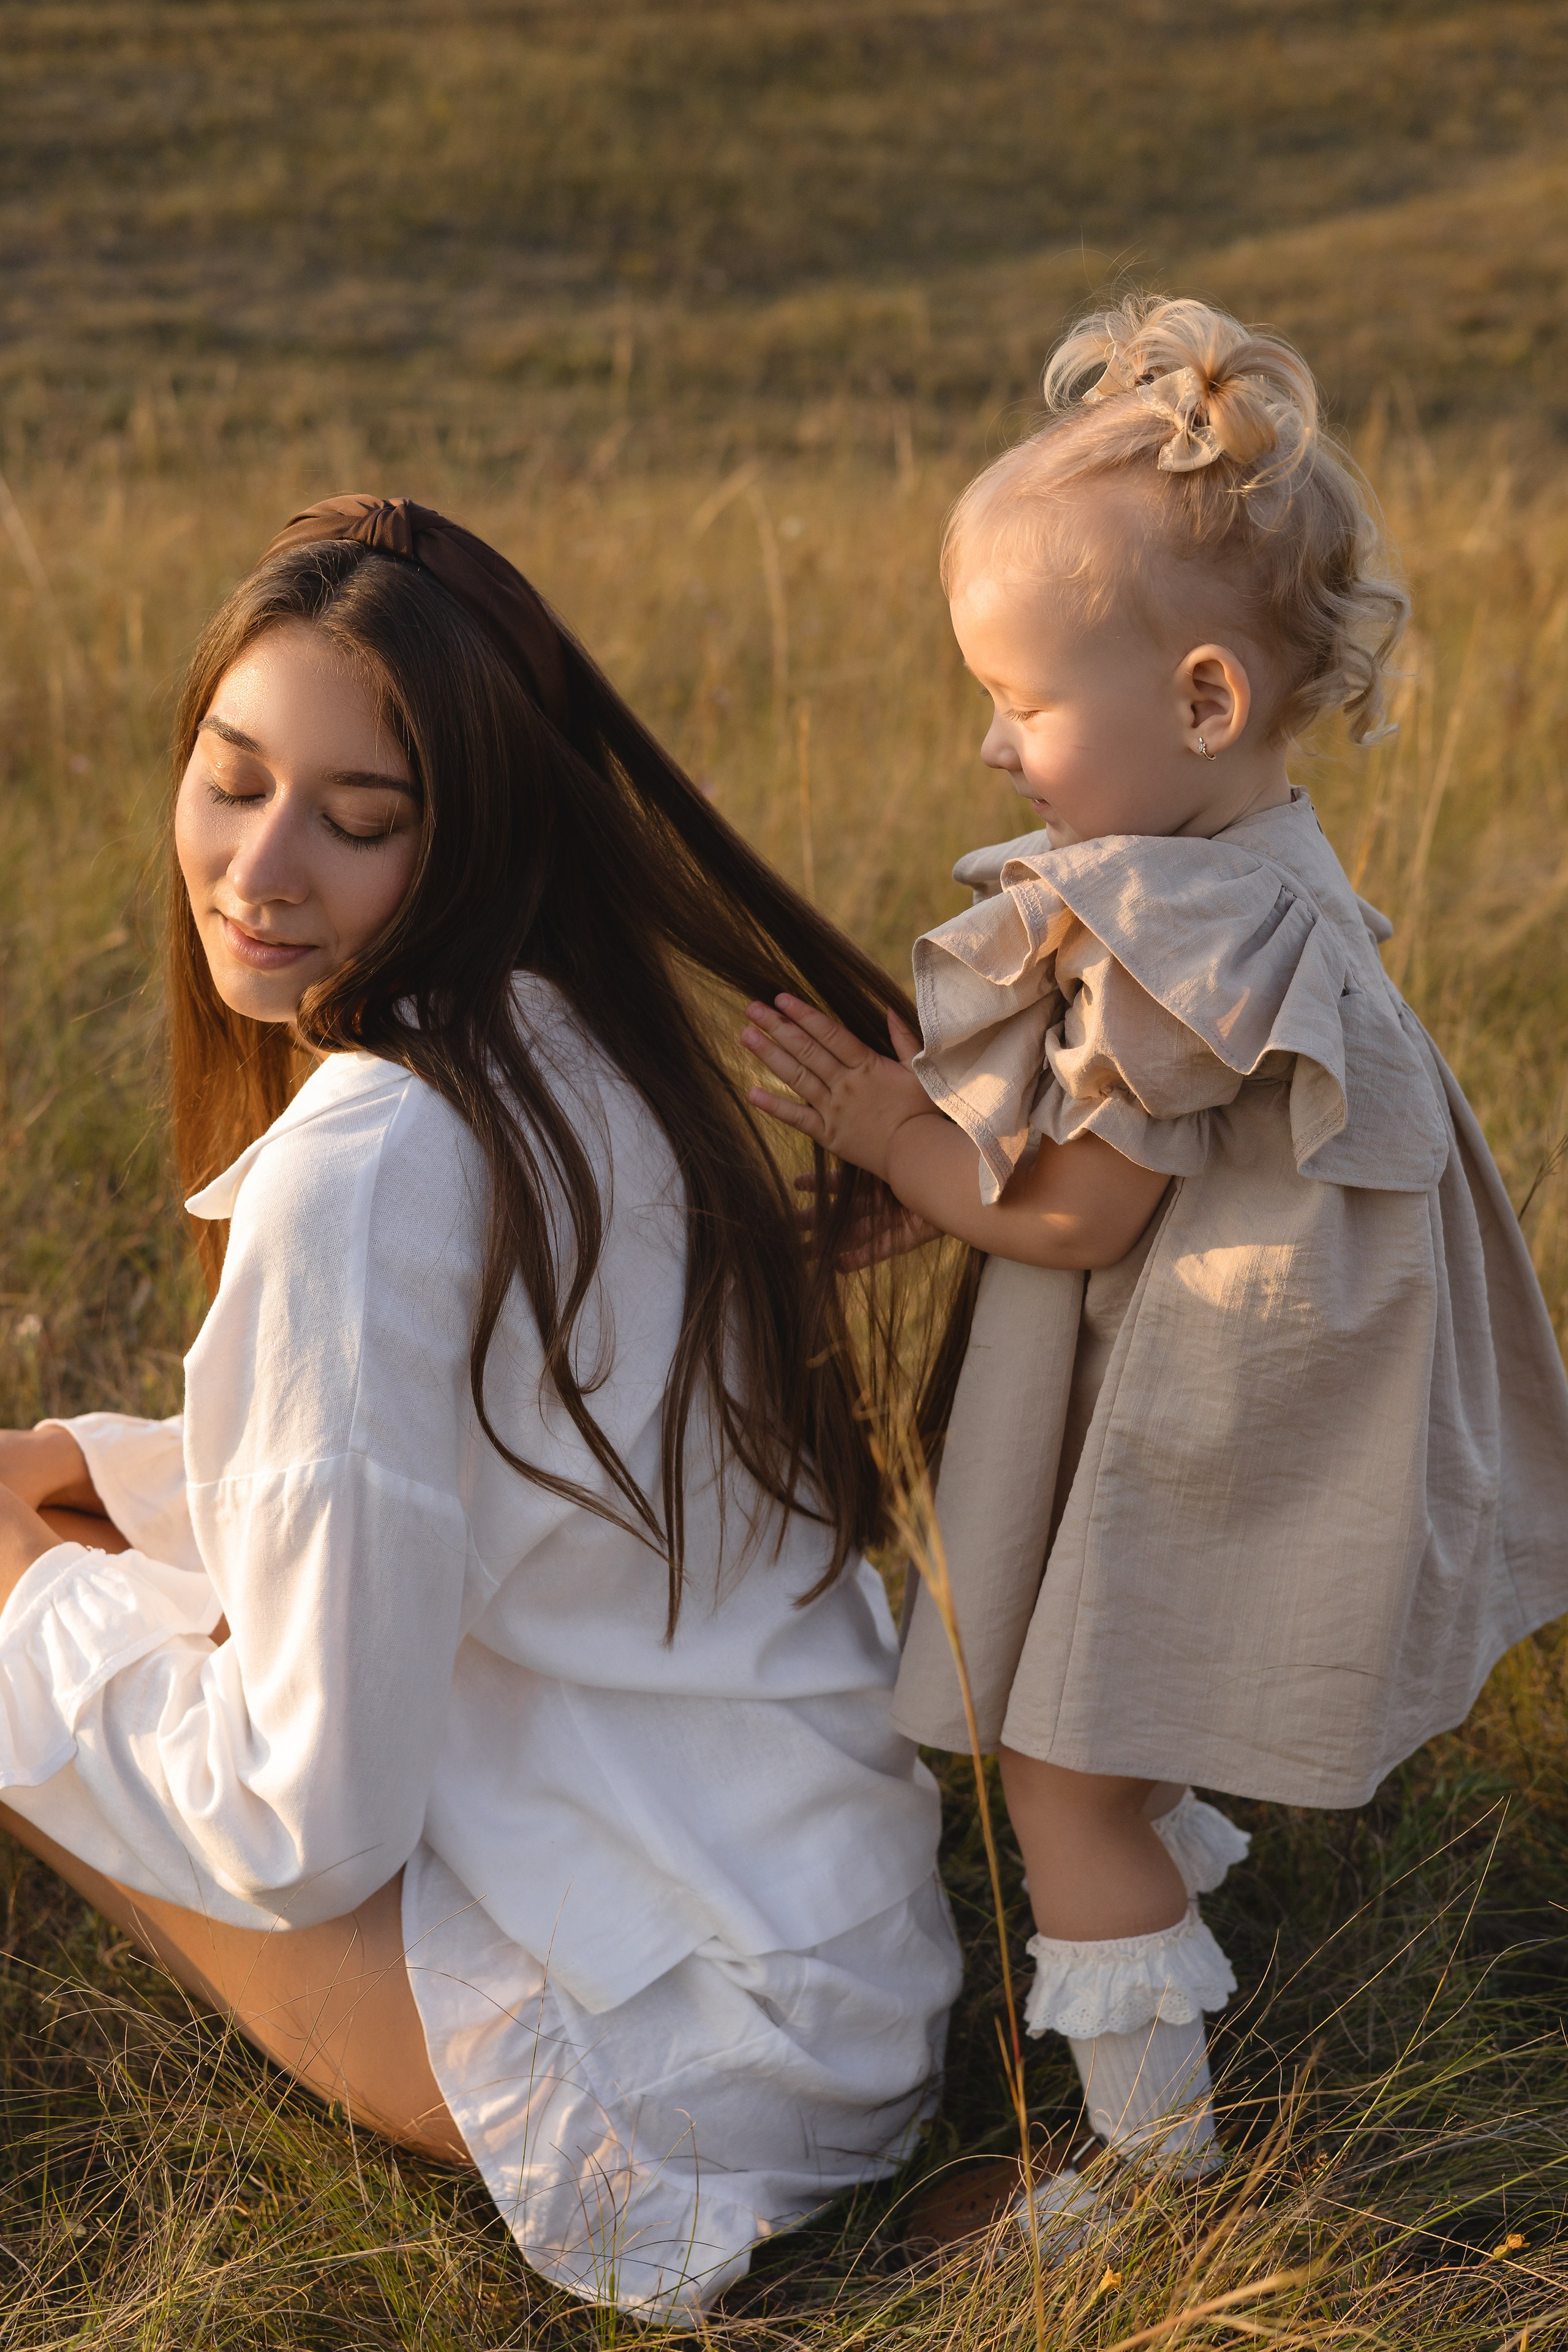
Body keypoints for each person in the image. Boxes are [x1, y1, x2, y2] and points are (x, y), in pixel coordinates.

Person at [0, 496, 961, 2319]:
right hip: (844, 1979)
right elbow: (449, 1474)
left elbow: (305, 1830)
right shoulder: (577, 1037)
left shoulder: (362, 1165)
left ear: (474, 835)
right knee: (59, 1537)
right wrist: (87, 1481)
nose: (261, 868)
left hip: (684, 2087)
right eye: (232, 779)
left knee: (22, 1628)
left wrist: (32, 1601)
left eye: (359, 822)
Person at [742, 295, 1568, 2238]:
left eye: (1024, 704)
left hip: (1208, 1400)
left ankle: (1153, 2182)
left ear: (1201, 702)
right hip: (1236, 1375)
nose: (993, 741)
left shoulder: (1183, 929)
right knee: (1108, 1724)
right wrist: (944, 1152)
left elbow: (1072, 1215)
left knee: (1064, 1765)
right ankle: (1168, 2004)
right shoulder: (1246, 865)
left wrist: (889, 1133)